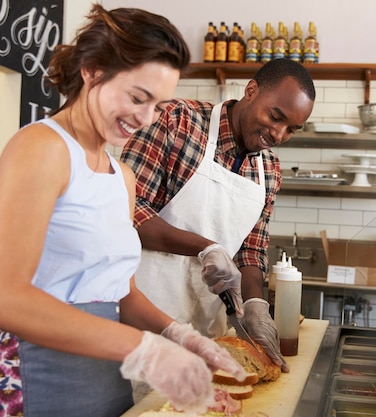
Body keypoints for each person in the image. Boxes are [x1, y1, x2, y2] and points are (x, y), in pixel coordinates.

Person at [0, 5, 245, 417]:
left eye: (157, 105)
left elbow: (119, 292)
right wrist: (145, 349)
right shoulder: (42, 149)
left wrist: (181, 336)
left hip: (103, 386)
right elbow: (2, 300)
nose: (146, 118)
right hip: (35, 383)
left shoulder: (122, 177)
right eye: (138, 97)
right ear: (93, 71)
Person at [120, 58, 316, 373]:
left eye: (292, 129)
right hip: (142, 318)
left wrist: (255, 304)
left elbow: (251, 250)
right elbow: (126, 211)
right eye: (275, 116)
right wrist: (205, 247)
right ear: (251, 91)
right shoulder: (177, 121)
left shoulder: (270, 169)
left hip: (206, 334)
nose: (279, 134)